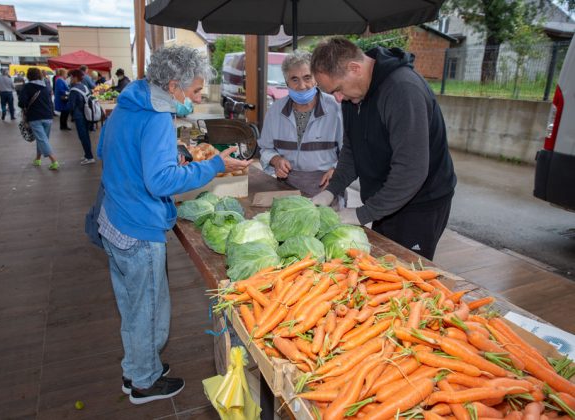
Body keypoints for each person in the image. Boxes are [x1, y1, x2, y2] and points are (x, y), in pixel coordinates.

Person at [97, 45, 251, 405]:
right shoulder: (157, 118)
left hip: (114, 220)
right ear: (172, 86)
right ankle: (144, 382)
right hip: (139, 228)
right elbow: (161, 182)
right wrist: (214, 166)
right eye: (195, 90)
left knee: (132, 307)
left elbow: (107, 151)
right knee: (149, 310)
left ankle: (136, 367)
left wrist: (168, 158)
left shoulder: (128, 103)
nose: (197, 98)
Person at [310, 37, 457, 260]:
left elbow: (411, 170)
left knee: (406, 269)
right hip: (385, 199)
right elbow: (352, 150)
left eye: (338, 89)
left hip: (420, 204)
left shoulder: (403, 90)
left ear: (355, 68)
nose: (338, 99)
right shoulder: (353, 96)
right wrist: (331, 190)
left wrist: (362, 214)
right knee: (382, 261)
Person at [258, 50, 343, 198]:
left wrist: (337, 170)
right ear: (287, 82)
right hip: (286, 188)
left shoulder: (336, 108)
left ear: (316, 79)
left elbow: (351, 150)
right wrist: (276, 160)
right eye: (294, 79)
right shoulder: (275, 111)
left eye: (307, 77)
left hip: (327, 186)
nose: (302, 86)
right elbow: (265, 148)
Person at [18, 67, 59, 170]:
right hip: (48, 116)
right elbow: (50, 101)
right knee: (42, 139)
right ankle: (37, 159)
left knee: (42, 139)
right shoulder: (46, 86)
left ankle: (54, 161)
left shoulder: (27, 87)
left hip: (35, 117)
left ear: (28, 76)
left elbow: (21, 103)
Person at [67, 69, 95, 164]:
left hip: (79, 116)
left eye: (71, 77)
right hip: (87, 114)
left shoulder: (73, 90)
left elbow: (71, 106)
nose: (70, 79)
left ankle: (90, 157)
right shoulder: (84, 86)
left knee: (83, 136)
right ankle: (87, 154)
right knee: (86, 136)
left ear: (75, 77)